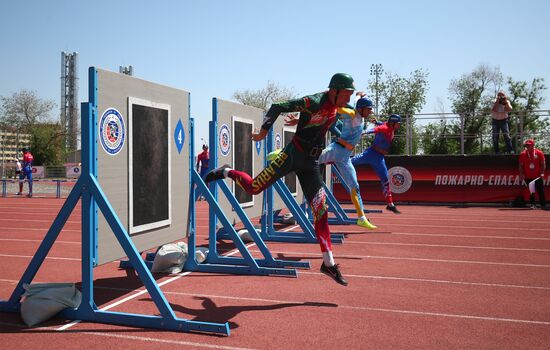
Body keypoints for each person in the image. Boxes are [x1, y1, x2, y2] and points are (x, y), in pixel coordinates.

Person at [204, 73, 356, 285]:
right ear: (334, 90)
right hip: (291, 156)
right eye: (347, 94)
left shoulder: (337, 107)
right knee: (254, 188)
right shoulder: (312, 101)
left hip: (311, 164)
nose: (348, 100)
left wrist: (303, 121)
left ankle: (328, 264)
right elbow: (276, 106)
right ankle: (226, 172)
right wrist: (264, 131)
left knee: (321, 209)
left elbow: (324, 122)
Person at [315, 93, 377, 229]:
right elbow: (339, 108)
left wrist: (358, 96)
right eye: (368, 109)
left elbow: (355, 106)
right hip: (336, 150)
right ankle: (283, 154)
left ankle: (361, 218)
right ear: (361, 109)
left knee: (355, 187)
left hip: (345, 157)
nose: (370, 112)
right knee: (309, 157)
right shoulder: (353, 114)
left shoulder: (359, 114)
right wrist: (334, 101)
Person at [351, 114, 402, 214]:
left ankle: (390, 204)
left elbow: (380, 124)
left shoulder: (388, 126)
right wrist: (364, 132)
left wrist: (375, 121)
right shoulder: (385, 128)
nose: (399, 126)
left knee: (385, 180)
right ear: (392, 123)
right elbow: (376, 129)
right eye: (398, 123)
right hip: (370, 154)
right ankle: (331, 161)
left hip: (379, 158)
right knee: (349, 162)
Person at [518, 139, 546, 210]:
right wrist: (521, 174)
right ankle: (533, 204)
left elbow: (543, 164)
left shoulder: (539, 153)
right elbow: (521, 165)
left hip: (538, 176)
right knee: (531, 191)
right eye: (526, 145)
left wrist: (542, 173)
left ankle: (543, 205)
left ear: (533, 145)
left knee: (541, 190)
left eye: (528, 145)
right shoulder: (523, 154)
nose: (527, 147)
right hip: (528, 176)